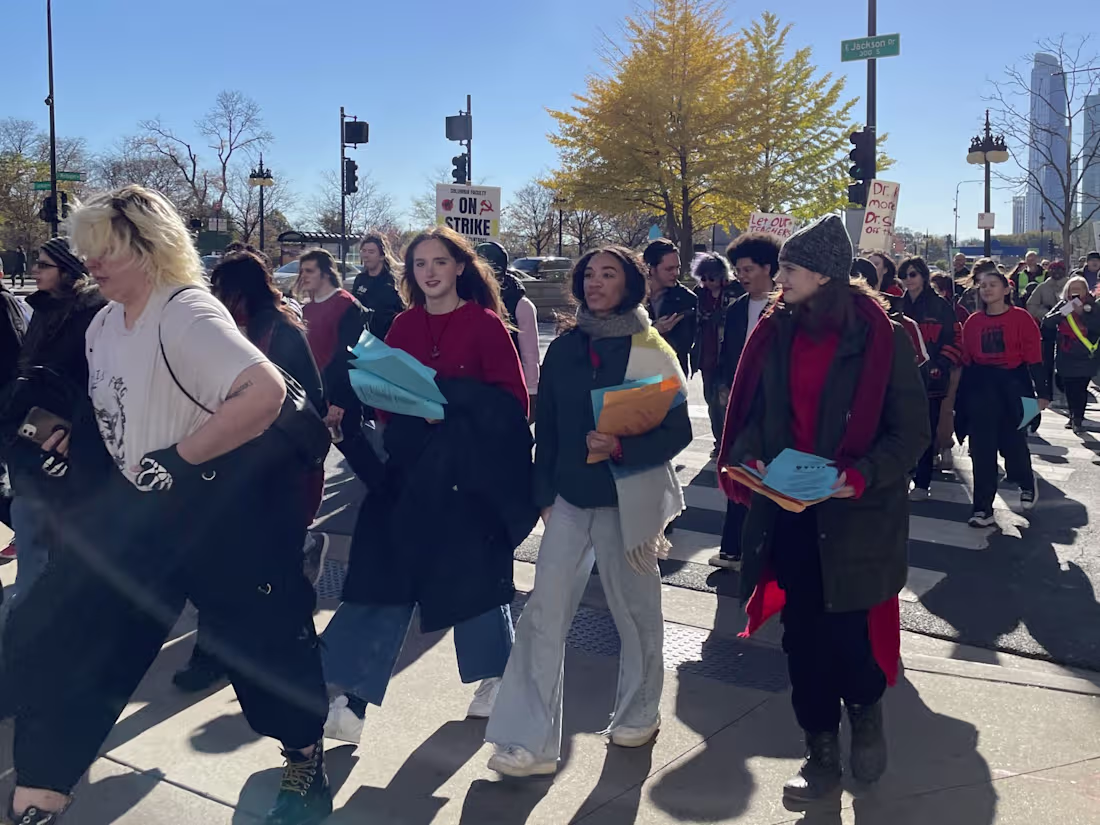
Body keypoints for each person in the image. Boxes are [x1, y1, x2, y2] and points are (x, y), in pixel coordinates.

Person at [0, 185, 333, 824]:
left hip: (221, 520)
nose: (92, 261)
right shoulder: (101, 324)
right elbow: (116, 412)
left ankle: (303, 754)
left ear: (151, 248)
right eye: (87, 248)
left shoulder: (186, 312)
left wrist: (179, 460)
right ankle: (40, 795)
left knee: (260, 651)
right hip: (138, 520)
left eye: (109, 249)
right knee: (75, 639)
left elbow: (261, 392)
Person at [719, 214, 929, 804]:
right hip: (789, 507)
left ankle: (865, 713)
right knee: (802, 636)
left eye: (786, 268)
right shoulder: (773, 331)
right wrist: (750, 459)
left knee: (849, 634)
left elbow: (908, 433)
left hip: (856, 512)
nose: (774, 277)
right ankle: (820, 751)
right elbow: (751, 415)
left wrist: (859, 476)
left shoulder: (879, 335)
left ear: (823, 275)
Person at [321, 226, 535, 745]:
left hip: (468, 480)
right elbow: (381, 397)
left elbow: (513, 407)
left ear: (461, 267)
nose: (430, 272)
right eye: (420, 264)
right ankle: (351, 697)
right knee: (383, 580)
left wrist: (446, 401)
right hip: (409, 474)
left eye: (440, 262)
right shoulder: (403, 325)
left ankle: (496, 677)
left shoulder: (486, 325)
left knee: (476, 585)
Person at [485, 245, 692, 778]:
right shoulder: (566, 348)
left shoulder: (652, 349)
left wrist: (622, 449)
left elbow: (679, 431)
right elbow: (548, 427)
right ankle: (527, 741)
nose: (596, 282)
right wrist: (545, 494)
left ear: (629, 283)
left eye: (609, 274)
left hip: (632, 499)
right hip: (571, 498)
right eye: (589, 274)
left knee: (637, 613)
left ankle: (640, 713)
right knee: (543, 613)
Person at [172, 249, 328, 693]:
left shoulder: (278, 332)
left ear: (242, 291)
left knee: (261, 570)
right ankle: (216, 651)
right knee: (220, 569)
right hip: (233, 472)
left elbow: (308, 402)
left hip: (274, 474)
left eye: (223, 290)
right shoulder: (234, 330)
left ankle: (262, 649)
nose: (217, 297)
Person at [0, 238, 106, 620]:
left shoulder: (94, 313)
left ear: (66, 270)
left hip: (69, 440)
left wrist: (78, 430)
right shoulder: (42, 309)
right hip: (28, 435)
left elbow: (96, 382)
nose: (34, 270)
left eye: (43, 265)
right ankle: (28, 621)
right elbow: (24, 369)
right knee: (31, 526)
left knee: (58, 536)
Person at [957, 260, 1050, 527]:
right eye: (983, 285)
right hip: (981, 387)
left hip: (1014, 386)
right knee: (982, 449)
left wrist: (1042, 393)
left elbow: (1034, 358)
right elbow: (967, 360)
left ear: (1006, 289)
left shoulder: (1021, 318)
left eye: (992, 285)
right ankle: (982, 509)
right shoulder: (973, 322)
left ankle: (1025, 480)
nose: (986, 289)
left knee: (1013, 444)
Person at [708, 231, 780, 571]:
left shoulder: (786, 309)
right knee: (737, 470)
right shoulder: (736, 309)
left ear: (769, 268)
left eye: (748, 268)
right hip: (739, 403)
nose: (742, 275)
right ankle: (732, 548)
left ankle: (763, 551)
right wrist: (723, 384)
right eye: (738, 269)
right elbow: (726, 353)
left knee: (767, 476)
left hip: (774, 407)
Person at [298, 248, 383, 490]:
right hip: (315, 400)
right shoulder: (306, 309)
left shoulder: (346, 304)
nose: (303, 276)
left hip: (340, 401)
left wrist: (340, 402)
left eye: (309, 270)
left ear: (325, 273)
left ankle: (390, 499)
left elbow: (353, 357)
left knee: (361, 458)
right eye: (302, 270)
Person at [899, 257, 963, 500]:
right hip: (901, 379)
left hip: (932, 380)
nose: (908, 279)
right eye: (904, 274)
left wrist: (941, 365)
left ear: (924, 276)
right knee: (901, 429)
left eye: (913, 274)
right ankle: (903, 475)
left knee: (925, 430)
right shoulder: (897, 305)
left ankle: (922, 481)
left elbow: (956, 339)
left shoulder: (941, 306)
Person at [475, 241, 541, 418]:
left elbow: (530, 354)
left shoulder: (521, 304)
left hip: (508, 390)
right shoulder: (467, 298)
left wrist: (532, 392)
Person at [689, 251, 742, 451]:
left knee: (726, 400)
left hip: (727, 354)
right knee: (711, 401)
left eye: (711, 278)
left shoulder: (735, 291)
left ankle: (730, 441)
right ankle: (719, 440)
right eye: (703, 278)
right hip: (706, 355)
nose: (707, 283)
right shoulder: (699, 293)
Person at [1040, 275, 1100, 433]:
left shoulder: (1093, 306)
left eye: (1078, 290)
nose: (1075, 293)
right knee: (1068, 387)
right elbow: (1047, 322)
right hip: (1066, 354)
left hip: (1086, 356)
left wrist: (1083, 314)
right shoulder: (1063, 304)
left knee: (1081, 388)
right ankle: (1074, 415)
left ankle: (1077, 418)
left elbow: (1097, 326)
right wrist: (1066, 311)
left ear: (1085, 291)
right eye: (1072, 289)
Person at [643, 238, 697, 375]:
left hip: (671, 379)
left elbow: (684, 345)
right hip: (638, 378)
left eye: (677, 267)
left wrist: (659, 334)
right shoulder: (630, 296)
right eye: (669, 269)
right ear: (651, 269)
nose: (676, 273)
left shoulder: (687, 299)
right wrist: (654, 330)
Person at [351, 233, 405, 341]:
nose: (366, 255)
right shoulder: (360, 279)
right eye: (364, 251)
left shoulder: (393, 281)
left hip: (386, 341)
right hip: (363, 342)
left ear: (382, 256)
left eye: (371, 252)